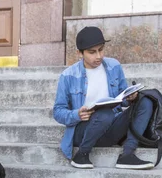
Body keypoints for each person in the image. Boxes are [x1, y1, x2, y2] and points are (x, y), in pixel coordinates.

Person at [53, 26, 155, 170]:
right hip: (83, 132)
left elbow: (122, 97)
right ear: (79, 53)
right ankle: (82, 154)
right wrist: (77, 114)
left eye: (101, 49)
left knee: (146, 100)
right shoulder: (68, 76)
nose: (98, 56)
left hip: (110, 127)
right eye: (92, 52)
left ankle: (127, 155)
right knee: (104, 113)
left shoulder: (114, 66)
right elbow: (58, 111)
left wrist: (130, 97)